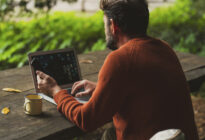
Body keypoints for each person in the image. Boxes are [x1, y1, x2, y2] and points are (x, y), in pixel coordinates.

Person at [36, 0, 199, 139]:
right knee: (110, 133)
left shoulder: (121, 59)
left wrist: (55, 91)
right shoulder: (164, 48)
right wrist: (103, 89)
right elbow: (145, 89)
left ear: (113, 25)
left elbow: (86, 120)